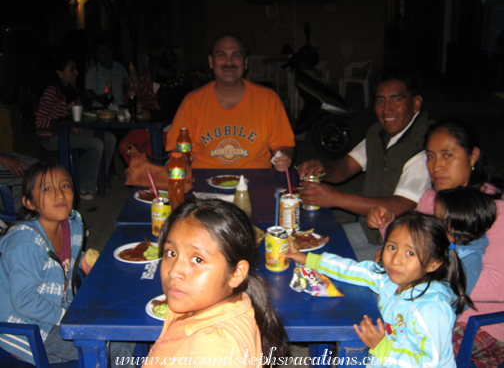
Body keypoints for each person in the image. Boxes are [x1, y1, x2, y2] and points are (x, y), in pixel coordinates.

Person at [367, 119, 504, 367]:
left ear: (472, 156)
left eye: (447, 155)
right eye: (430, 156)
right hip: (422, 304)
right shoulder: (432, 198)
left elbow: (499, 285)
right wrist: (388, 228)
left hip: (476, 324)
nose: (436, 166)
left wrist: (420, 271)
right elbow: (418, 242)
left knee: (395, 343)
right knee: (365, 307)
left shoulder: (494, 209)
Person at [286, 211, 473, 367]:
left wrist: (382, 347)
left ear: (433, 264)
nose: (396, 259)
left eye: (410, 253)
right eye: (392, 247)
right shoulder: (392, 280)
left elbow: (429, 363)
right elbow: (357, 270)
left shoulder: (431, 309)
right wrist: (310, 260)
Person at [0, 161, 134, 367]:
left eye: (65, 186)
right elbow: (24, 301)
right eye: (47, 189)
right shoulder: (25, 242)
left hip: (58, 308)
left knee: (127, 320)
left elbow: (57, 261)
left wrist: (78, 260)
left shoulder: (71, 223)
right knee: (113, 346)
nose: (59, 194)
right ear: (29, 203)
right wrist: (69, 317)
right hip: (27, 330)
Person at [297, 66, 433, 259]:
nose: (387, 109)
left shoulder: (427, 143)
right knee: (309, 248)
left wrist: (336, 198)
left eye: (396, 99)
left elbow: (401, 206)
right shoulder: (378, 133)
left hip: (406, 245)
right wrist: (321, 170)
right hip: (371, 231)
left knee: (325, 267)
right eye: (380, 100)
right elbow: (346, 166)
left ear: (416, 103)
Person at [144, 198, 288, 367]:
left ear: (236, 273)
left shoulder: (214, 349)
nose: (174, 271)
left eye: (197, 259)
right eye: (171, 253)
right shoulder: (201, 304)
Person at [163, 34, 295, 171]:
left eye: (236, 56)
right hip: (204, 182)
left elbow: (284, 144)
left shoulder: (268, 99)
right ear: (211, 61)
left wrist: (284, 156)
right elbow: (176, 146)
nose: (229, 62)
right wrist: (182, 158)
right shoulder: (193, 102)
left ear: (245, 63)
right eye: (222, 55)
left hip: (256, 182)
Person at [36, 55, 116, 200]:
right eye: (71, 70)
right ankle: (84, 186)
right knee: (96, 144)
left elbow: (79, 112)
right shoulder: (51, 91)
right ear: (60, 73)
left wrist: (79, 122)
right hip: (52, 137)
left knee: (109, 138)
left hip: (69, 131)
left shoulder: (71, 90)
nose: (76, 73)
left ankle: (98, 179)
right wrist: (68, 127)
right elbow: (40, 122)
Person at [434, 187, 496, 296]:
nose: (433, 223)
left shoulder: (469, 258)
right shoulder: (436, 237)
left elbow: (457, 298)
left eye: (440, 220)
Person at [85, 40, 129, 107]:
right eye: (102, 52)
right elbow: (87, 92)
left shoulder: (119, 67)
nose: (106, 54)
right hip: (100, 109)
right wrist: (102, 99)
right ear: (97, 55)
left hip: (120, 107)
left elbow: (127, 83)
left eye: (108, 51)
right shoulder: (93, 70)